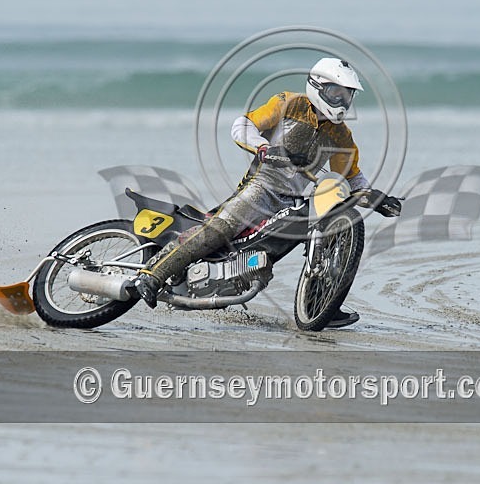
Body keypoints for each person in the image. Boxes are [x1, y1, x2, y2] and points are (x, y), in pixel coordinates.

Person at [131, 58, 401, 328]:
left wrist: (377, 198)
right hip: (261, 187)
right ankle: (153, 275)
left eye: (347, 96)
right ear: (317, 87)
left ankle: (323, 303)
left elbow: (351, 175)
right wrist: (263, 148)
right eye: (336, 94)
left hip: (291, 200)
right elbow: (242, 125)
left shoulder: (341, 135)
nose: (342, 102)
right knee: (220, 229)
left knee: (324, 231)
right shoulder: (288, 103)